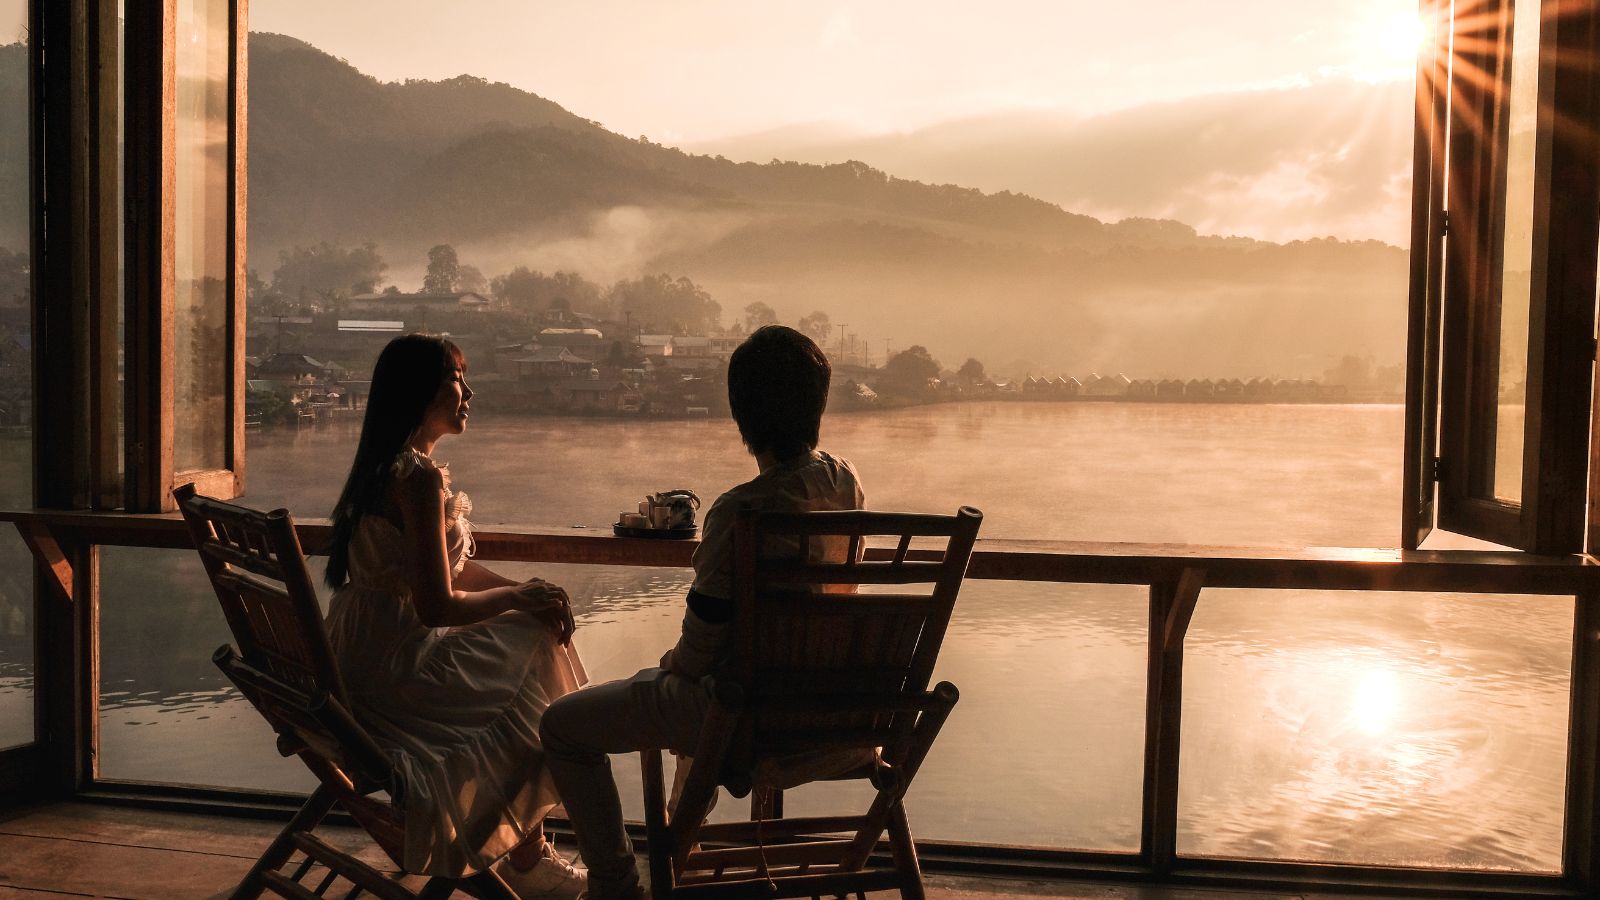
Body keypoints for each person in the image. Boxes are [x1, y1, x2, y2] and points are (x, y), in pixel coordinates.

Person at [541, 325, 865, 900]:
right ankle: (677, 852)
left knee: (562, 725)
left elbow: (701, 646)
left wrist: (675, 666)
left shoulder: (739, 510)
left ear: (742, 417)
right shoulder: (845, 483)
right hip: (830, 707)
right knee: (700, 693)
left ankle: (617, 885)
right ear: (818, 403)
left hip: (743, 715)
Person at [322, 333, 588, 898]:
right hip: (393, 675)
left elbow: (449, 574)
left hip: (356, 662)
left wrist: (524, 589)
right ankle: (529, 857)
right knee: (539, 644)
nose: (468, 392)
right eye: (456, 381)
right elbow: (437, 604)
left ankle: (527, 852)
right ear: (420, 393)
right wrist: (522, 602)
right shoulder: (416, 479)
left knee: (532, 626)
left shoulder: (385, 468)